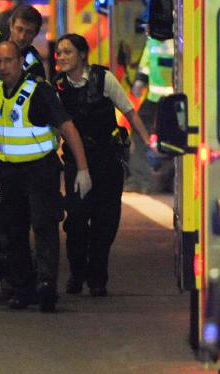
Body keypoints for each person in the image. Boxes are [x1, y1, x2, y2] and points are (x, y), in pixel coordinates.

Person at [0, 40, 91, 312]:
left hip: (40, 169)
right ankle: (22, 288)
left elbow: (68, 127)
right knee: (12, 229)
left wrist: (83, 169)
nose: (3, 67)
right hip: (8, 171)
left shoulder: (39, 91)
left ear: (19, 62)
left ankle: (47, 286)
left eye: (9, 61)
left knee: (44, 225)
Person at [54, 33, 152, 297]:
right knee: (75, 220)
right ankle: (76, 273)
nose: (62, 57)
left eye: (68, 52)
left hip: (107, 159)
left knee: (105, 222)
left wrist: (148, 140)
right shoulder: (58, 87)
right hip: (76, 162)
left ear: (82, 55)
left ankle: (97, 278)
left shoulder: (102, 78)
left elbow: (129, 111)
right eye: (59, 53)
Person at [131, 0, 174, 192]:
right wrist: (141, 78)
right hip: (161, 94)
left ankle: (144, 180)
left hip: (167, 94)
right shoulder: (164, 8)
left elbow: (156, 52)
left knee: (143, 132)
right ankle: (148, 180)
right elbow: (151, 52)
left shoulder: (159, 11)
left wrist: (141, 79)